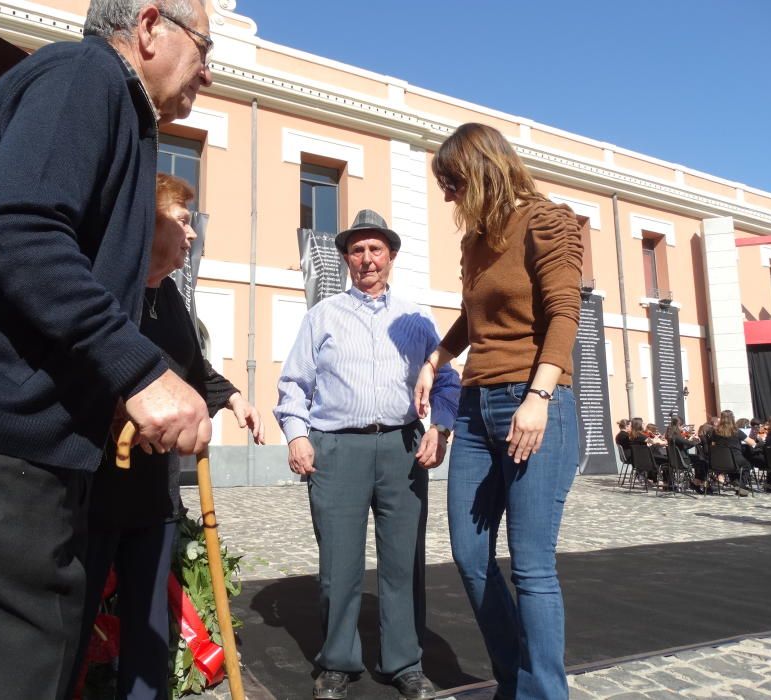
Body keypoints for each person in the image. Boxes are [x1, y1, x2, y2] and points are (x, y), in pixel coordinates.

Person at [0, 2, 216, 697]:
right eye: (203, 46)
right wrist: (138, 370)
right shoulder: (83, 78)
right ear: (150, 25)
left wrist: (106, 392)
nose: (207, 73)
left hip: (6, 451)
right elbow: (21, 231)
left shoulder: (114, 109)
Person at [70, 174, 264, 699]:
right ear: (144, 222)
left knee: (150, 622)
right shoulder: (103, 292)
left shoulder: (174, 298)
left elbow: (193, 369)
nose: (193, 235)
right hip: (94, 489)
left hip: (155, 493)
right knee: (73, 618)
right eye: (182, 220)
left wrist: (234, 398)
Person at [414, 122, 582, 699]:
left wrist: (538, 397)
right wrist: (437, 357)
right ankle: (515, 680)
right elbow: (473, 318)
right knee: (468, 554)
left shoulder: (547, 220)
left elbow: (564, 315)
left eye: (453, 183)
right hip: (475, 410)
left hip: (534, 405)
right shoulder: (474, 244)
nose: (447, 197)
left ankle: (540, 693)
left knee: (532, 567)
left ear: (482, 170)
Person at [274, 209, 461, 700]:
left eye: (376, 249)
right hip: (337, 449)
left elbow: (446, 379)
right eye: (357, 250)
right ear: (346, 259)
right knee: (339, 565)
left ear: (391, 256)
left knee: (404, 563)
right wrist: (297, 435)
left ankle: (404, 661)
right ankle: (337, 661)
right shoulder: (322, 317)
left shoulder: (416, 319)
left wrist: (439, 428)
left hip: (402, 448)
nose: (367, 258)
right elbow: (293, 385)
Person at [709, 410, 754, 496]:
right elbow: (752, 443)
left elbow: (713, 445)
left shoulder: (715, 432)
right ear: (732, 419)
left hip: (719, 460)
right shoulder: (736, 431)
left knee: (732, 466)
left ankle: (736, 482)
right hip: (735, 458)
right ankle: (740, 484)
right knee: (747, 465)